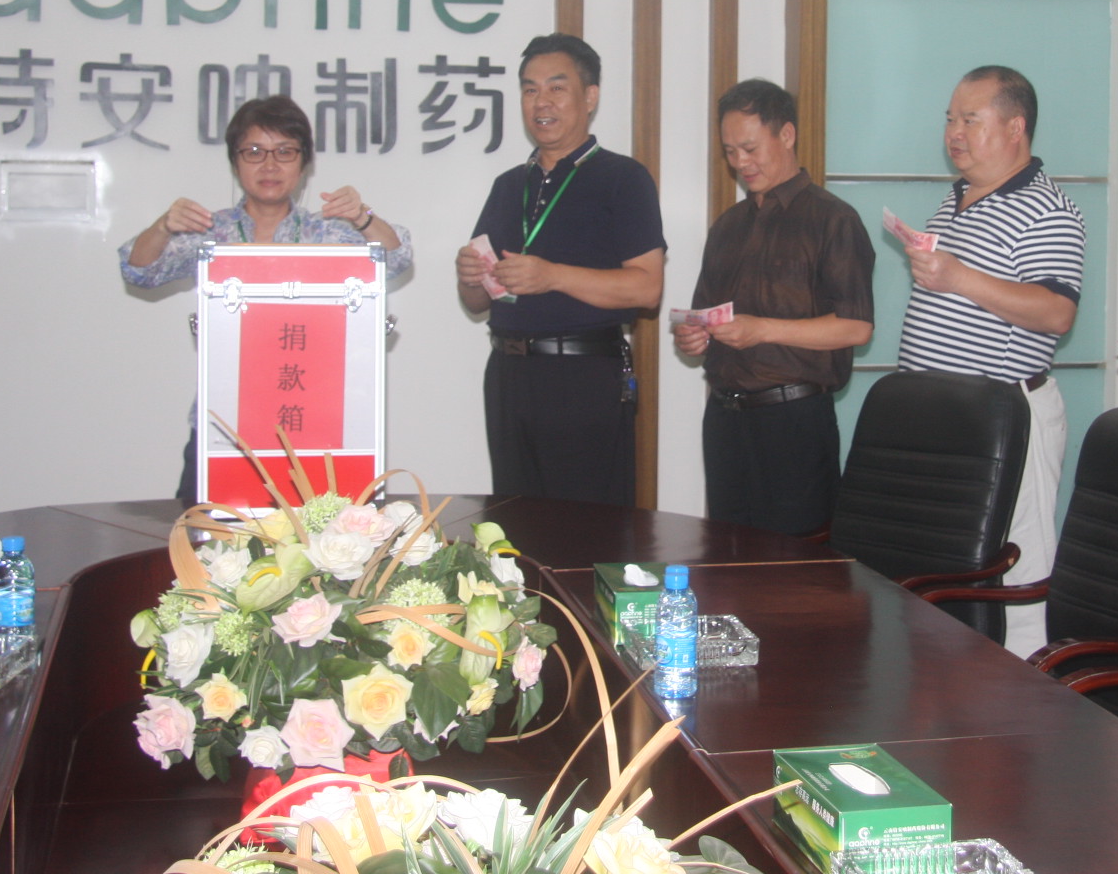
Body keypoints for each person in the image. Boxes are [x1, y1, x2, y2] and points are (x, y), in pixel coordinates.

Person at [119, 94, 413, 501]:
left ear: (304, 163)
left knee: (320, 536)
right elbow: (138, 270)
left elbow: (397, 257)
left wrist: (363, 216)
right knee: (206, 534)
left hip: (315, 421)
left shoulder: (328, 230)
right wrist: (163, 226)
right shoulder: (209, 231)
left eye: (285, 152)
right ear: (235, 161)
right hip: (225, 425)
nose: (270, 165)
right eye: (254, 152)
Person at [897, 66, 1084, 658]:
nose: (954, 132)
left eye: (970, 120)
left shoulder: (1048, 210)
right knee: (950, 568)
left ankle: (1026, 697)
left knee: (1017, 571)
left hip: (1007, 419)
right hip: (943, 423)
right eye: (950, 119)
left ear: (1015, 128)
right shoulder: (954, 200)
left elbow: (1057, 311)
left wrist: (959, 277)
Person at [455, 33, 665, 506]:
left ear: (590, 96)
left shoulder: (623, 178)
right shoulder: (509, 185)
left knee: (585, 526)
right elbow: (477, 302)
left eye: (556, 87)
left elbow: (647, 288)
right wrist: (470, 276)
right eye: (530, 90)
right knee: (513, 522)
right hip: (509, 374)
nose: (541, 102)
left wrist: (552, 276)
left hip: (583, 377)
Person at [673, 80, 876, 535]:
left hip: (794, 420)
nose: (740, 162)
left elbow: (856, 326)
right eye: (730, 151)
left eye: (750, 148)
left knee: (793, 562)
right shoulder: (728, 226)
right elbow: (705, 314)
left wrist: (763, 329)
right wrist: (694, 336)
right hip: (725, 418)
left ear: (786, 135)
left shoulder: (834, 219)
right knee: (725, 554)